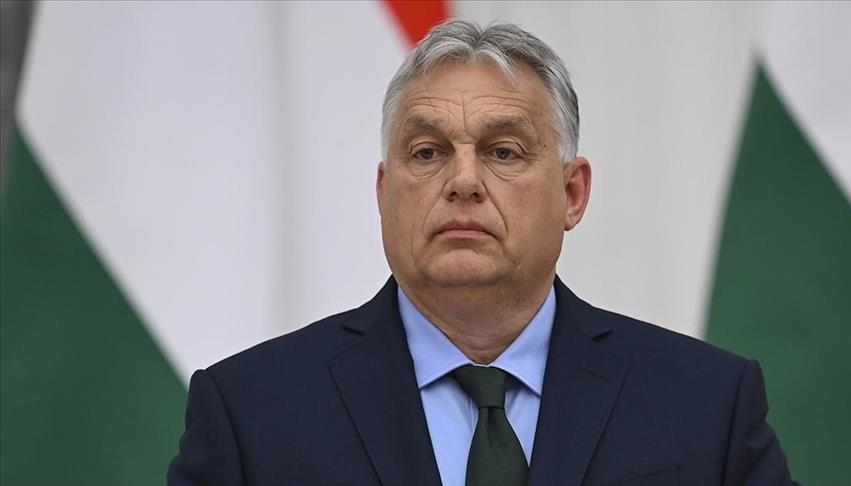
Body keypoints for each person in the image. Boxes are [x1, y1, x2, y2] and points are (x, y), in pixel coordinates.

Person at [167, 20, 794, 485]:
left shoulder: (706, 405)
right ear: (384, 194)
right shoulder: (251, 413)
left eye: (503, 152)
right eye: (427, 152)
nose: (463, 181)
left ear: (572, 194)